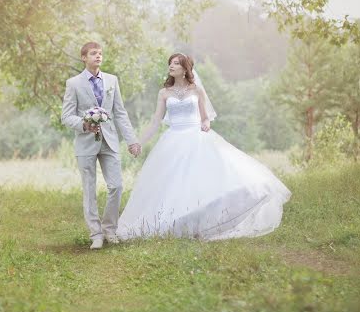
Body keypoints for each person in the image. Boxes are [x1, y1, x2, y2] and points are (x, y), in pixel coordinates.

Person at [117, 53, 291, 241]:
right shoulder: (164, 93)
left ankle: (203, 223)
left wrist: (206, 123)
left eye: (176, 63)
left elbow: (205, 116)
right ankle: (179, 223)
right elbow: (154, 122)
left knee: (201, 181)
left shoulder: (196, 90)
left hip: (196, 137)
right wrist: (138, 143)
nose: (171, 66)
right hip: (173, 140)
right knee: (174, 184)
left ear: (185, 69)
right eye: (170, 63)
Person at [61, 42, 140, 249]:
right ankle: (95, 234)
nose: (98, 56)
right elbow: (66, 116)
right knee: (89, 189)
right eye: (93, 53)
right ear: (84, 58)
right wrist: (84, 125)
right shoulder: (74, 83)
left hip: (110, 141)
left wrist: (131, 140)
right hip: (85, 143)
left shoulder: (112, 81)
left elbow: (120, 113)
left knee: (117, 186)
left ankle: (109, 229)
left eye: (100, 53)